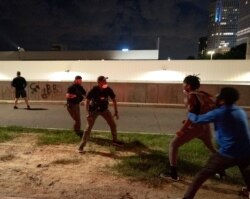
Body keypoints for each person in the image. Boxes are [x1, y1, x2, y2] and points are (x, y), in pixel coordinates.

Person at [182, 87, 250, 199]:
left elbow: (198, 120)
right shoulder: (240, 111)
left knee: (202, 174)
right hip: (246, 151)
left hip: (228, 153)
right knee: (246, 172)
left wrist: (190, 112)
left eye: (219, 95)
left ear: (223, 100)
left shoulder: (220, 113)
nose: (216, 96)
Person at [160, 75, 218, 181]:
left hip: (195, 127)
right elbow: (210, 108)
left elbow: (192, 117)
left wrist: (182, 130)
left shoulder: (190, 96)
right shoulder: (203, 94)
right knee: (212, 148)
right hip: (205, 126)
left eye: (184, 83)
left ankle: (173, 175)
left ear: (188, 85)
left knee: (173, 145)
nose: (182, 85)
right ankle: (221, 171)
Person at [78, 75, 123, 153]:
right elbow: (87, 101)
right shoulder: (94, 89)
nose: (106, 82)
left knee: (113, 125)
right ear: (99, 82)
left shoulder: (108, 89)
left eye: (106, 80)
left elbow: (114, 100)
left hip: (104, 110)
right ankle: (81, 146)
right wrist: (88, 113)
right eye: (104, 81)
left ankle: (115, 141)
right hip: (93, 110)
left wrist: (116, 112)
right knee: (88, 128)